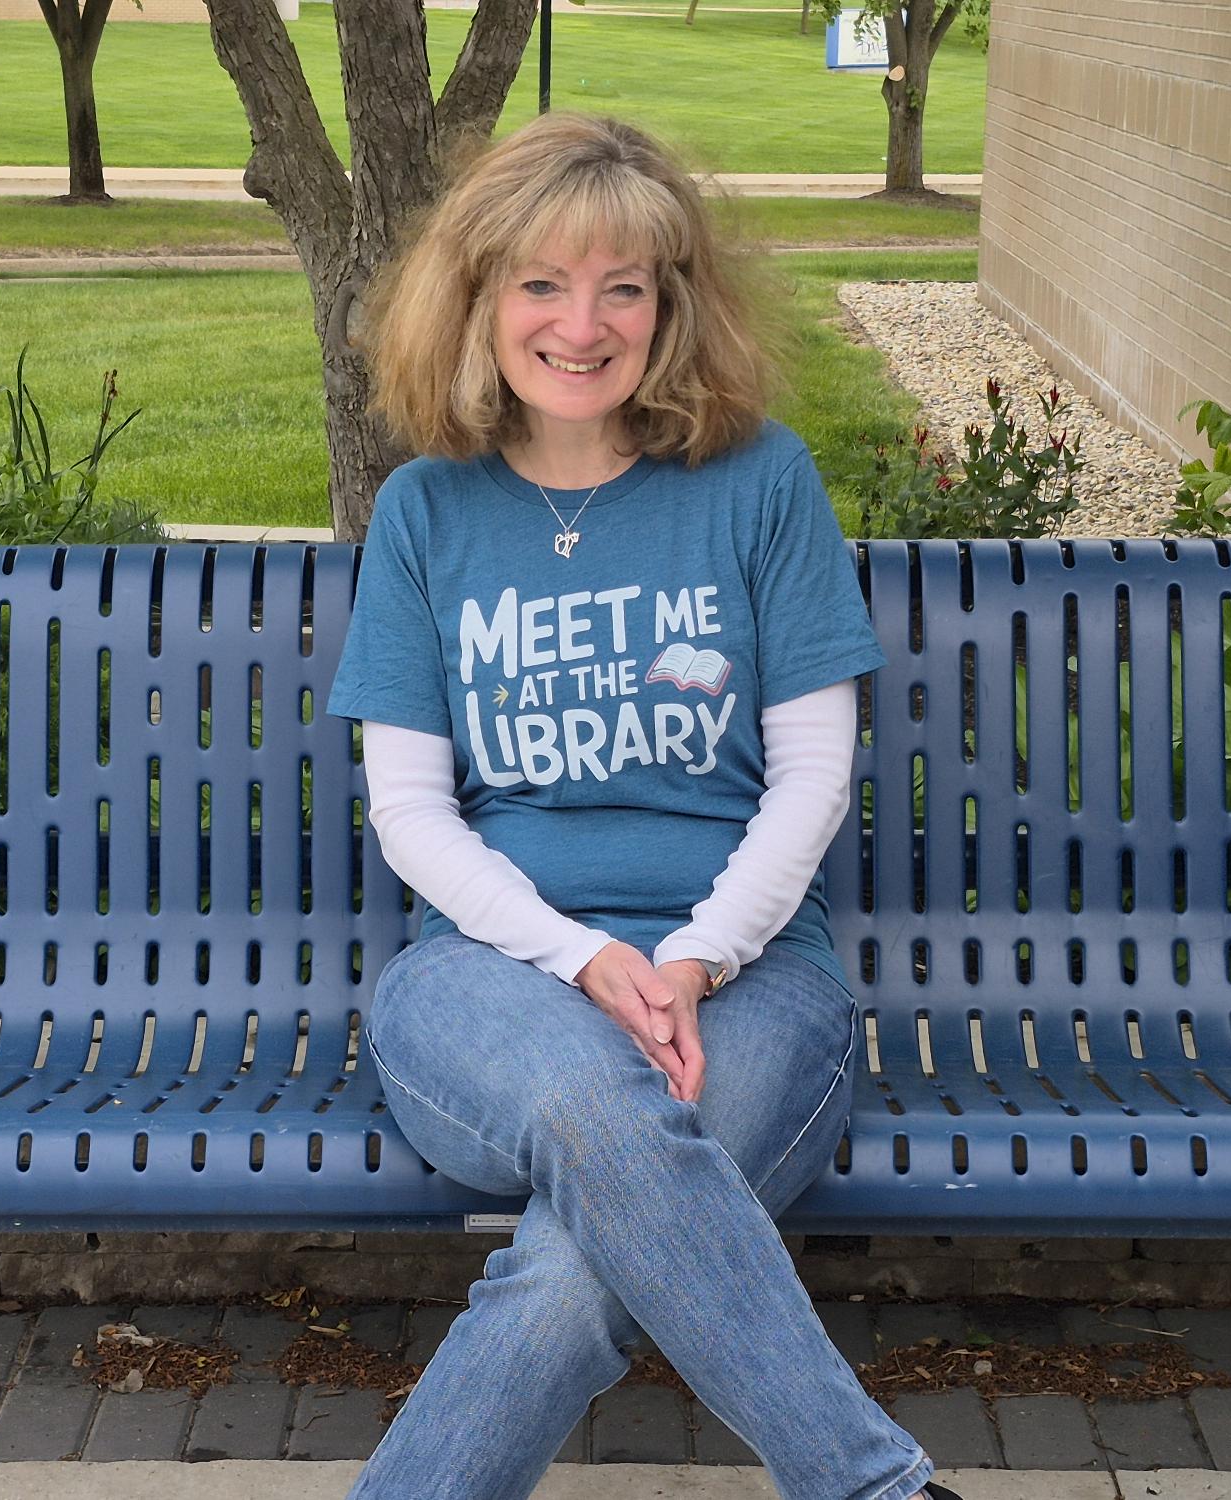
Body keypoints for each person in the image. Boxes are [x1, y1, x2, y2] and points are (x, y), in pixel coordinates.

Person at [326, 113, 959, 1500]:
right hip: (489, 980)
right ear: (479, 299)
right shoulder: (430, 511)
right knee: (600, 1113)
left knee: (572, 1264)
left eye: (625, 285)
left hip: (748, 984)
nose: (581, 322)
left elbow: (809, 777)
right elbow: (415, 821)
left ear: (673, 306)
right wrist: (588, 959)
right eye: (541, 283)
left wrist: (693, 956)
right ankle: (876, 1488)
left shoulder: (758, 482)